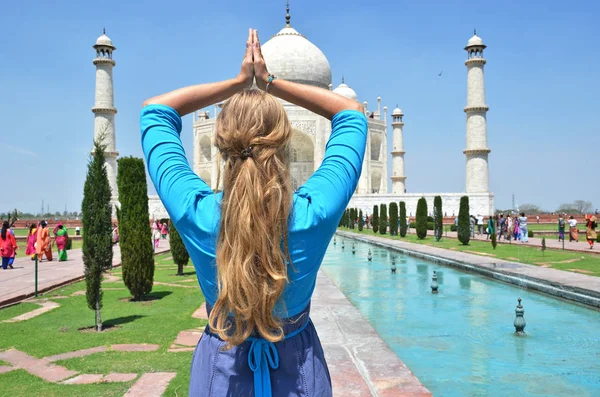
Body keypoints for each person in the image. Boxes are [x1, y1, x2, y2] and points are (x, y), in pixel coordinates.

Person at [140, 29, 365, 397]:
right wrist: (270, 83)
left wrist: (238, 82)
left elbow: (155, 111)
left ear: (222, 144)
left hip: (221, 367)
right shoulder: (312, 214)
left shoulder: (198, 214)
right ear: (285, 141)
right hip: (298, 370)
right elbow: (352, 115)